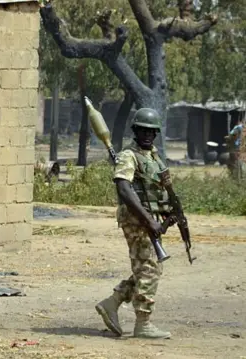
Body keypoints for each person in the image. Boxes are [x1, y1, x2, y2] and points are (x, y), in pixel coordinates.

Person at [95, 108, 172, 339]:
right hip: (136, 219)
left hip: (148, 218)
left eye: (151, 131)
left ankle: (114, 301)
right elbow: (124, 188)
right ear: (135, 131)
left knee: (148, 267)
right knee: (149, 268)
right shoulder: (129, 156)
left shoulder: (153, 156)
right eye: (142, 130)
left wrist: (168, 214)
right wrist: (149, 221)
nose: (147, 134)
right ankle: (143, 323)